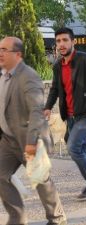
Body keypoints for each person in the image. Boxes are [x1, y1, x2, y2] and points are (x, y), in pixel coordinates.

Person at [0, 37, 66, 225]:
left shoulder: (28, 76)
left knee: (41, 181)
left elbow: (37, 110)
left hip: (30, 138)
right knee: (1, 176)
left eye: (5, 49)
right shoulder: (3, 76)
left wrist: (31, 141)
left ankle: (57, 218)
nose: (0, 53)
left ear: (18, 54)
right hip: (8, 140)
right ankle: (17, 218)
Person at [44, 27, 86, 201]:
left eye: (65, 40)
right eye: (58, 41)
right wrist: (48, 107)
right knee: (80, 147)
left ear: (73, 42)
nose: (61, 44)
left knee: (73, 147)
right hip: (71, 115)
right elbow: (55, 89)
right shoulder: (58, 65)